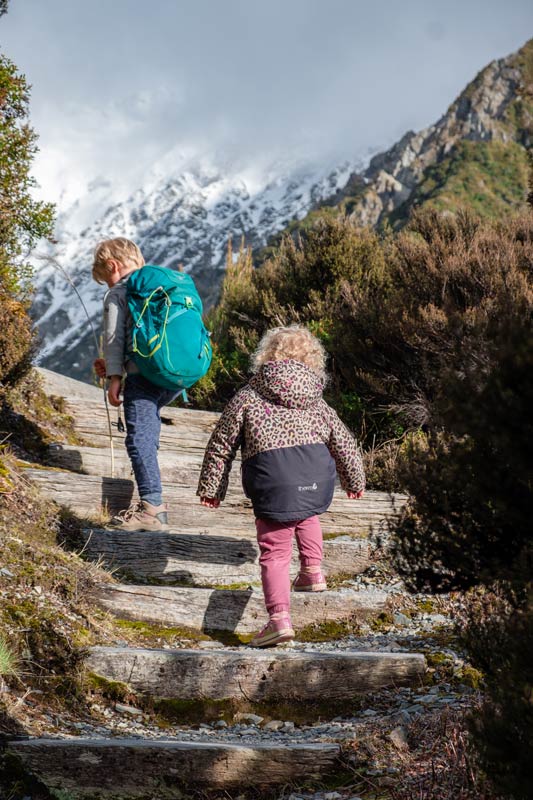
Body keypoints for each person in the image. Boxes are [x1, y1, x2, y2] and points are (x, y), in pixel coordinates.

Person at [197, 324, 365, 646]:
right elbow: (344, 442)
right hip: (316, 477)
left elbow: (222, 442)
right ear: (312, 360)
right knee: (307, 513)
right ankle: (313, 570)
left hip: (274, 480)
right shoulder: (318, 401)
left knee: (274, 552)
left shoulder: (248, 395)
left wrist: (212, 487)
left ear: (266, 356)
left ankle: (278, 620)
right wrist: (354, 480)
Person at [92, 237, 178, 531]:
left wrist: (116, 377)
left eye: (105, 278)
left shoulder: (119, 292)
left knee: (139, 438)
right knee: (147, 429)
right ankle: (152, 495)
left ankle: (152, 509)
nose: (107, 285)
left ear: (113, 266)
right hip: (174, 374)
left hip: (142, 375)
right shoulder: (160, 285)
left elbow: (115, 339)